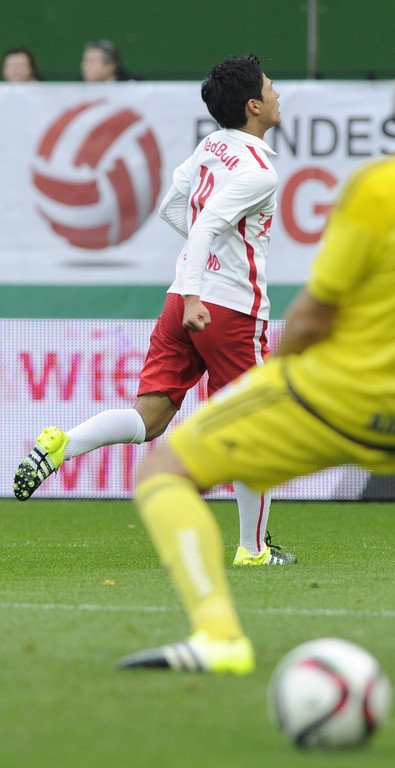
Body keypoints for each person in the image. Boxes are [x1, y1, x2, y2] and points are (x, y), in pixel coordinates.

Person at [65, 37, 395, 674]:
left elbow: (318, 311)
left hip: (335, 394)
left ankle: (220, 633)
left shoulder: (378, 185)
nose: (278, 92)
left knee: (164, 471)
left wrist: (277, 372)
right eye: (271, 85)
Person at [14, 54, 296, 567]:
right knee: (255, 426)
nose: (278, 94)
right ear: (254, 106)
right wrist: (200, 290)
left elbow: (172, 207)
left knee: (151, 417)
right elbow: (206, 224)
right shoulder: (259, 172)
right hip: (228, 310)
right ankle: (253, 549)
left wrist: (194, 281)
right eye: (271, 87)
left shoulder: (211, 146)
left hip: (180, 298)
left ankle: (62, 445)